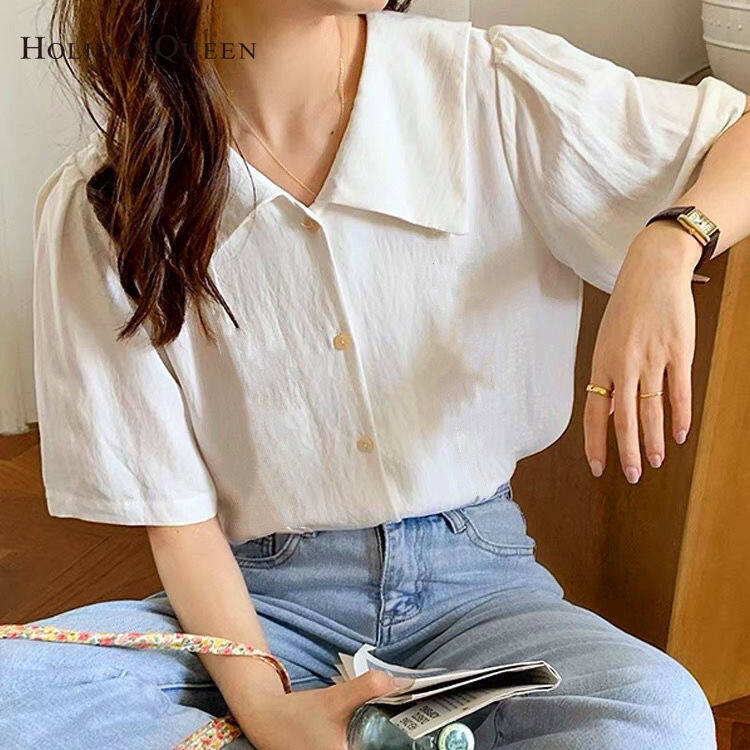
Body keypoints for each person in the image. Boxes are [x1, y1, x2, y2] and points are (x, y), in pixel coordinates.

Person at [2, 1, 749, 748]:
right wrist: (266, 713)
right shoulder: (111, 199)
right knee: (17, 698)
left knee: (655, 716)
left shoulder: (489, 85)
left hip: (482, 595)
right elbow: (179, 522)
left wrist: (670, 243)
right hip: (260, 611)